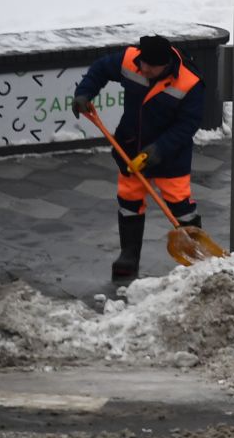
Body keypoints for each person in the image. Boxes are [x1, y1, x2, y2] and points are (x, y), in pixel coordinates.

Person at [70, 34, 206, 280]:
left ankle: (195, 256)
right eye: (142, 62)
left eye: (151, 66)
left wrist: (159, 150)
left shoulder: (189, 82)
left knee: (181, 207)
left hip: (170, 155)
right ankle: (128, 256)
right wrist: (85, 92)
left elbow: (188, 125)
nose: (143, 69)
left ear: (166, 65)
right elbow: (100, 69)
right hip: (130, 147)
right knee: (129, 201)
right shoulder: (131, 59)